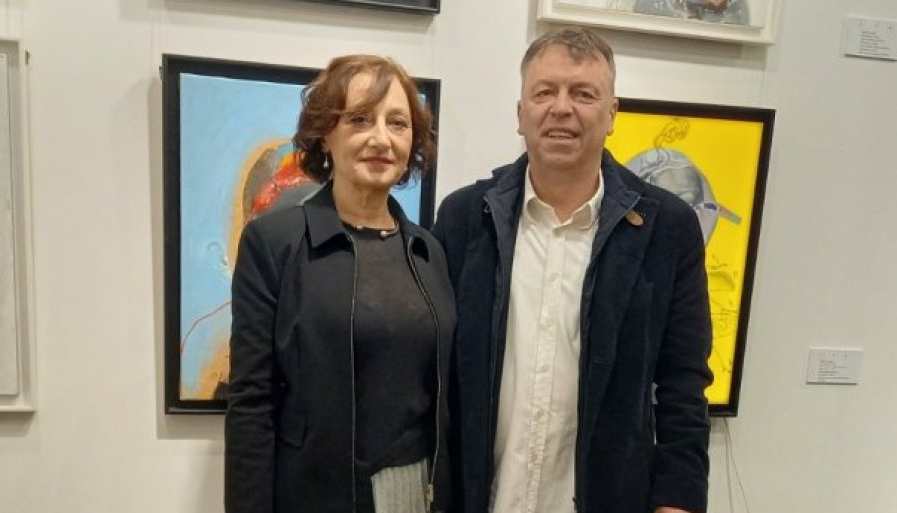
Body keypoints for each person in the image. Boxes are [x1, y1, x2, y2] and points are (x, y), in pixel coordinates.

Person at [433, 27, 712, 513]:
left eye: (583, 94)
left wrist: (678, 501)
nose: (561, 108)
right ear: (521, 113)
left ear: (612, 114)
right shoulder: (464, 219)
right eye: (545, 92)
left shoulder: (667, 229)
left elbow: (684, 384)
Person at [225, 54, 455, 513]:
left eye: (397, 124)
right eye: (360, 119)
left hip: (416, 493)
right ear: (326, 135)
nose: (381, 139)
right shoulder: (275, 243)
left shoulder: (428, 252)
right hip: (313, 494)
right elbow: (251, 403)